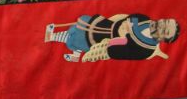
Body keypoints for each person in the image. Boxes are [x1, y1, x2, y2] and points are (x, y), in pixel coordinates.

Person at [45, 14, 180, 62]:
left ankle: (52, 36)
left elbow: (116, 53)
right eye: (165, 21)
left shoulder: (145, 50)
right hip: (107, 25)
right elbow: (133, 16)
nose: (162, 25)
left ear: (164, 39)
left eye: (166, 30)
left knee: (77, 37)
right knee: (82, 24)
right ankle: (75, 55)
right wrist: (128, 24)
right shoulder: (145, 20)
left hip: (101, 40)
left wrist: (126, 36)